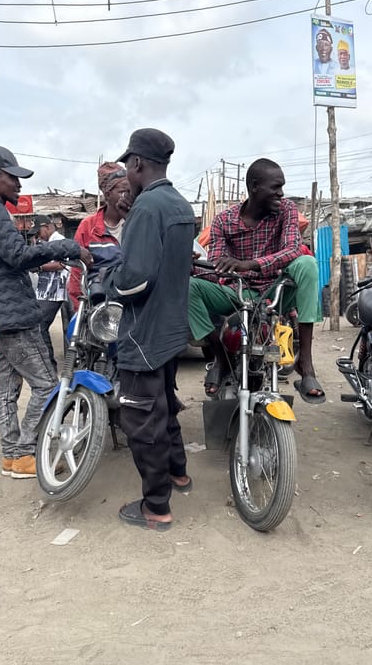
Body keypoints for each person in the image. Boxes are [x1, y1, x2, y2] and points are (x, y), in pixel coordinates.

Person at [0, 146, 92, 480]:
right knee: (47, 385)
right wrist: (69, 247)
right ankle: (29, 451)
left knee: (4, 387)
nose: (18, 184)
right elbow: (17, 256)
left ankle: (13, 457)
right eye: (11, 177)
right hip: (15, 317)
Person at [102, 128, 195, 531]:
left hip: (143, 332)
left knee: (142, 419)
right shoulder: (180, 204)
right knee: (165, 403)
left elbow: (135, 279)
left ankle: (156, 506)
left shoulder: (146, 208)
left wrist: (108, 282)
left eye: (127, 164)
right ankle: (179, 473)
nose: (126, 171)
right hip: (173, 328)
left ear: (137, 163)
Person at [189, 157, 325, 404]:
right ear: (254, 186)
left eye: (282, 187)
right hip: (238, 293)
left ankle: (305, 362)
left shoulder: (286, 210)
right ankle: (220, 358)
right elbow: (219, 265)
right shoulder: (223, 221)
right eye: (275, 187)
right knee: (188, 288)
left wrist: (251, 264)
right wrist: (194, 267)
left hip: (276, 292)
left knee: (307, 263)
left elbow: (293, 249)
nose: (281, 193)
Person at [68, 162, 131, 311]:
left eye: (131, 191)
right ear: (108, 194)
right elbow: (77, 272)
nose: (128, 196)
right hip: (100, 307)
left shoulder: (137, 222)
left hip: (132, 302)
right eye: (123, 192)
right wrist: (79, 309)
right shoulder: (88, 227)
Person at [28, 214, 70, 371]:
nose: (38, 236)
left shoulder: (58, 240)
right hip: (49, 290)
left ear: (46, 226)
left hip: (55, 290)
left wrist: (39, 267)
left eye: (38, 232)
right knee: (65, 329)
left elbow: (61, 264)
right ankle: (59, 366)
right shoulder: (48, 242)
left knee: (40, 325)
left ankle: (49, 366)